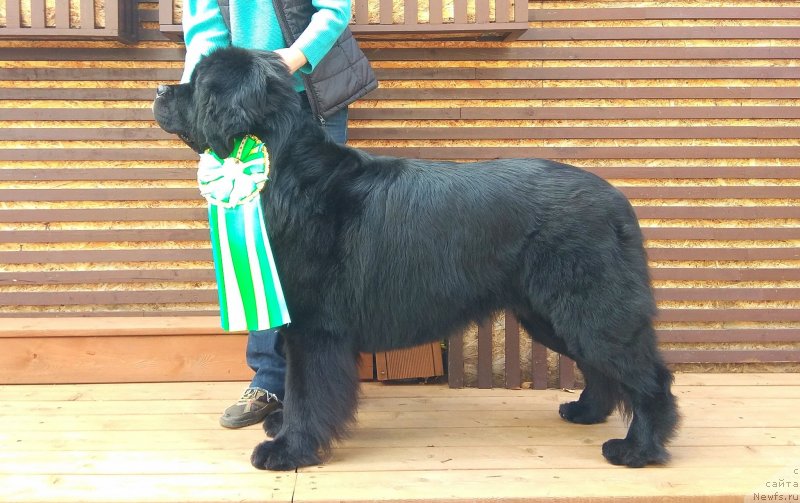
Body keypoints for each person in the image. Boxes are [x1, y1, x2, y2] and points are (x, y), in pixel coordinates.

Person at [180, 0, 377, 428]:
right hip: (241, 100)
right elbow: (204, 28)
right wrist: (197, 99)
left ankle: (321, 382)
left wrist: (289, 60)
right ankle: (269, 381)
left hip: (305, 90)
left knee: (317, 258)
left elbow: (334, 11)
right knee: (259, 242)